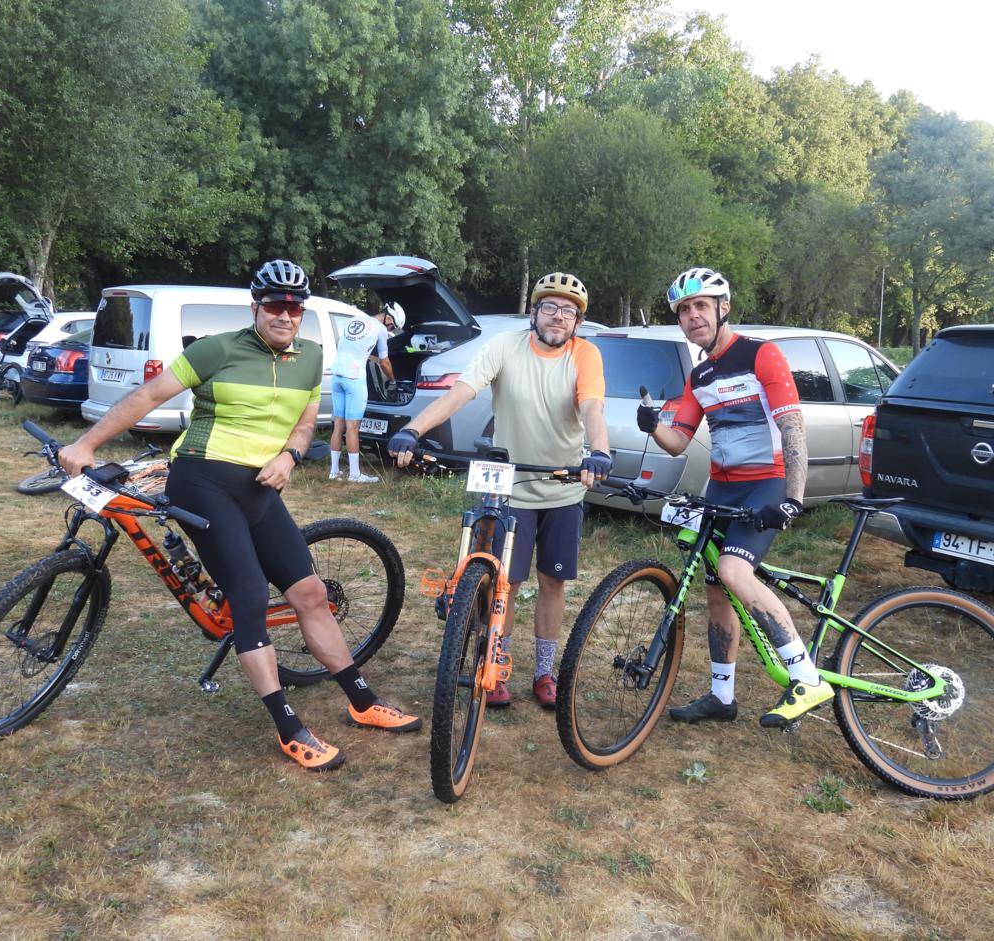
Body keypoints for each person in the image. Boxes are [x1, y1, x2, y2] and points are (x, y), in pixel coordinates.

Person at [58, 259, 421, 772]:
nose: (285, 315)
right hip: (202, 479)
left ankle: (362, 701)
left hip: (260, 487)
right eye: (275, 305)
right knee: (248, 597)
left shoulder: (311, 357)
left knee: (310, 593)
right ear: (256, 307)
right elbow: (148, 395)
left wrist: (290, 456)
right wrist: (87, 444)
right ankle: (288, 727)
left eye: (294, 307)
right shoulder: (217, 349)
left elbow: (303, 425)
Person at [387, 272, 611, 709]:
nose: (558, 316)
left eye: (568, 311)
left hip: (563, 487)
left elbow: (592, 407)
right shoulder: (505, 346)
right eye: (550, 307)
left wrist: (599, 451)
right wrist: (413, 429)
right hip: (511, 486)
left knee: (552, 581)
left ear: (578, 322)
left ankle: (544, 671)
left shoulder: (586, 354)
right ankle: (495, 661)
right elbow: (461, 393)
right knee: (505, 581)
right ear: (534, 312)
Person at [636, 267, 831, 729]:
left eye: (701, 305)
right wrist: (653, 425)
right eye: (684, 310)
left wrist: (793, 498)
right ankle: (722, 696)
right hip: (722, 486)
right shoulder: (700, 375)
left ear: (723, 308)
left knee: (734, 570)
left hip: (766, 482)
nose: (692, 315)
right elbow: (678, 441)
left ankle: (807, 677)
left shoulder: (761, 354)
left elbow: (792, 426)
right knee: (716, 590)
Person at [328, 301, 403, 483]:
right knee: (353, 427)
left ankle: (334, 471)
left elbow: (352, 348)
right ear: (389, 318)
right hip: (354, 378)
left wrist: (370, 358)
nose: (391, 329)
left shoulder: (354, 319)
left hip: (336, 375)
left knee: (338, 425)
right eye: (392, 326)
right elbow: (385, 362)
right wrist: (393, 380)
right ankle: (355, 474)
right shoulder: (380, 329)